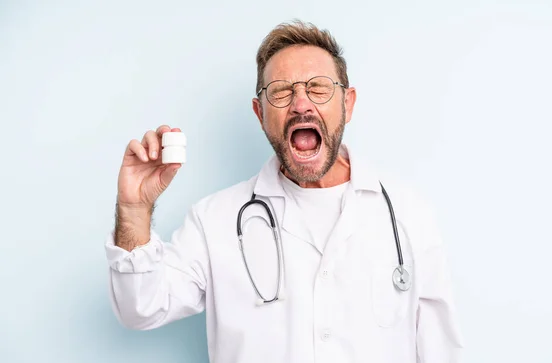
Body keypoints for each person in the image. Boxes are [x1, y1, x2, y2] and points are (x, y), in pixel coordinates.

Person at [105, 20, 464, 363]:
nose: (301, 103)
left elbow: (439, 349)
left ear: (348, 103)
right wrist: (134, 208)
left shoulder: (407, 212)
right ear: (260, 113)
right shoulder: (214, 221)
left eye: (318, 87)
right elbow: (140, 308)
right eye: (281, 92)